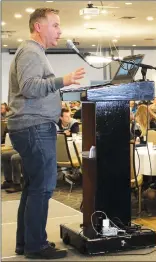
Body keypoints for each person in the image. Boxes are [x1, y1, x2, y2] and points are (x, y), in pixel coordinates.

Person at [7, 8, 85, 259]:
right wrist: (64, 80)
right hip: (34, 127)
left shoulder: (34, 52)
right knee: (42, 188)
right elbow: (30, 88)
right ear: (38, 27)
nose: (60, 31)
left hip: (32, 126)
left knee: (33, 188)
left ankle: (26, 242)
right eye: (55, 25)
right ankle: (35, 246)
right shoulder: (30, 51)